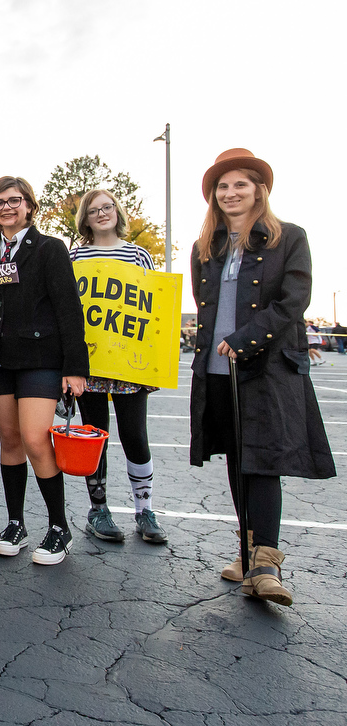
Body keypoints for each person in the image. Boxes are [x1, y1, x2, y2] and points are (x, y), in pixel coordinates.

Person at [191, 148, 335, 605]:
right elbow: (206, 304)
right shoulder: (206, 248)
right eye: (223, 186)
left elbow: (295, 300)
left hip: (269, 366)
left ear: (260, 190)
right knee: (237, 457)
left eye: (240, 184)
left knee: (263, 459)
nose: (231, 193)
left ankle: (266, 564)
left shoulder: (289, 237)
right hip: (218, 367)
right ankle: (246, 552)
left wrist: (247, 337)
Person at [0, 176, 88, 566]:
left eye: (13, 200)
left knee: (36, 440)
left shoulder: (50, 249)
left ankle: (58, 528)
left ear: (30, 205)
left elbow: (69, 309)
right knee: (10, 439)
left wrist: (75, 368)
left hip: (40, 358)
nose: (5, 207)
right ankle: (15, 523)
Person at [69, 189, 167, 544]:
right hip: (91, 364)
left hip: (130, 364)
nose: (102, 214)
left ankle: (145, 511)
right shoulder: (75, 255)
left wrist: (154, 362)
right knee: (95, 436)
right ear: (85, 218)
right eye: (93, 210)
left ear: (117, 211)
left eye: (107, 207)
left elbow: (153, 308)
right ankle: (99, 509)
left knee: (135, 435)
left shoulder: (138, 255)